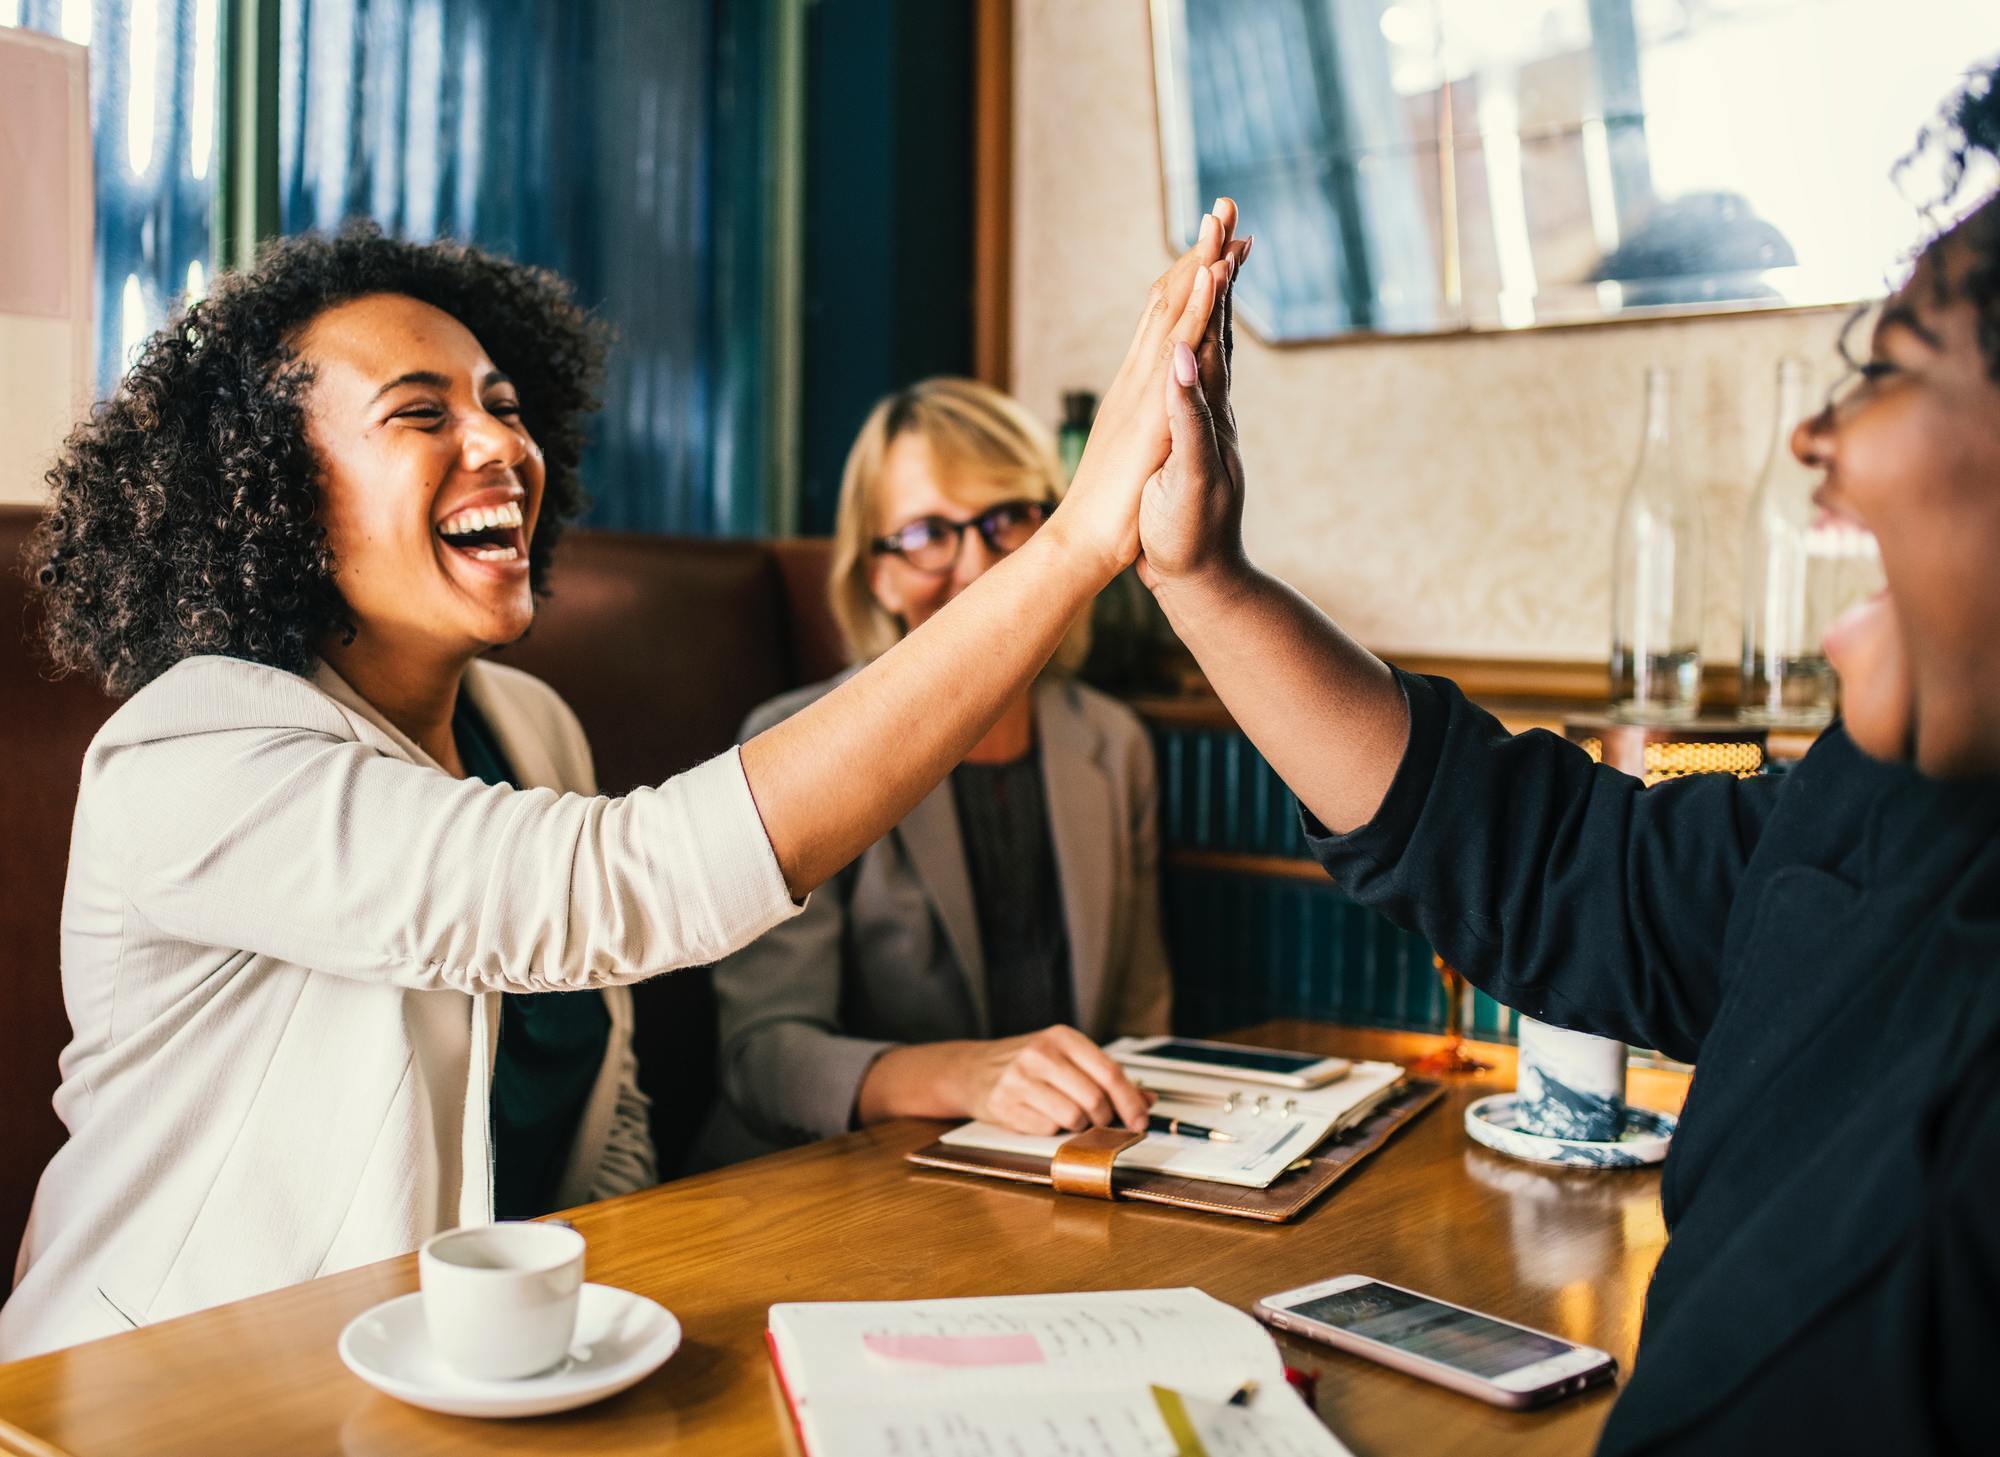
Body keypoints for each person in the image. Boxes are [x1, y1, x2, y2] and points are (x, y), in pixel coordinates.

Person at [0, 209, 1245, 1359]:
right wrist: (1078, 540)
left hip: (464, 1383)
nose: (501, 441)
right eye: (420, 413)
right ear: (269, 497)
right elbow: (619, 886)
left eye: (503, 402)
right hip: (153, 1389)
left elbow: (610, 1108)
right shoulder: (194, 751)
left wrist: (623, 1324)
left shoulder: (529, 725)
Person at [1137, 75, 2000, 1452]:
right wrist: (1206, 584)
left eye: (1888, 368)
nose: (1814, 436)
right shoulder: (1887, 807)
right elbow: (1565, 870)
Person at [694, 379, 1171, 1168]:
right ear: (875, 574)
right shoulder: (789, 743)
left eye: (1005, 519)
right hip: (836, 1183)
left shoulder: (1114, 745)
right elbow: (762, 1060)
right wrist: (963, 1077)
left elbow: (1142, 1019)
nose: (979, 565)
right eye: (925, 533)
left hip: (1054, 1174)